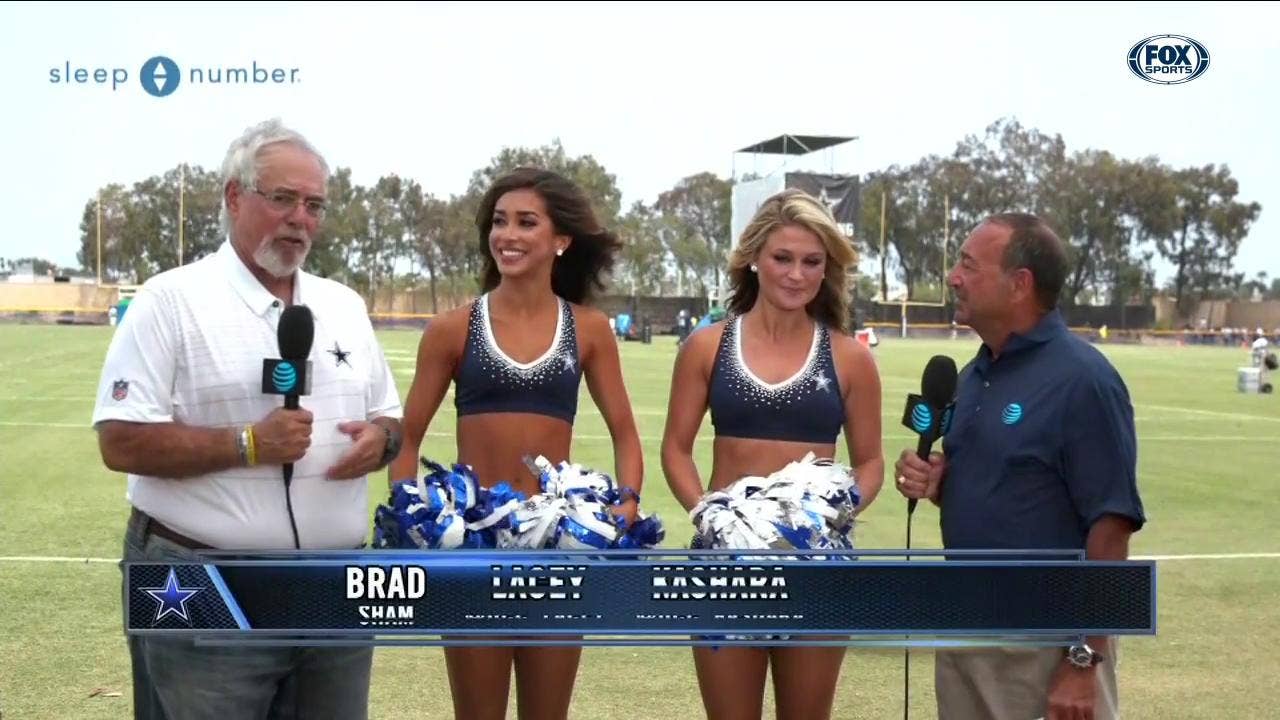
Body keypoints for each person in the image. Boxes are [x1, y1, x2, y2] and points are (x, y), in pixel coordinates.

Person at [92, 118, 404, 720]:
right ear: (235, 197)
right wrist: (246, 445)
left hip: (333, 591)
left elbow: (388, 416)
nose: (300, 218)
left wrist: (381, 441)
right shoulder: (170, 301)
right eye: (283, 198)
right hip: (201, 584)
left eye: (313, 204)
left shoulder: (343, 305)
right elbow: (121, 441)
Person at [389, 166, 643, 720]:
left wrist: (626, 501)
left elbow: (625, 431)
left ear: (560, 240)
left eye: (527, 222)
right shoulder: (452, 329)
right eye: (500, 222)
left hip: (556, 544)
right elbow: (407, 436)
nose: (508, 234)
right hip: (473, 545)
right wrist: (410, 509)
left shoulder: (590, 329)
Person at [894, 213, 1146, 720]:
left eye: (968, 264)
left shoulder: (1083, 380)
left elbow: (1111, 527)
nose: (953, 277)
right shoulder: (973, 374)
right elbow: (1008, 485)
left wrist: (1084, 657)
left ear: (1019, 284)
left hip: (1044, 643)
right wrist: (941, 482)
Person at [661, 189, 884, 720]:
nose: (796, 274)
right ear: (754, 258)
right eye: (783, 258)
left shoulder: (850, 357)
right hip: (724, 562)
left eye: (812, 262)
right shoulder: (707, 345)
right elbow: (675, 448)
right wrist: (707, 514)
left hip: (817, 564)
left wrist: (836, 511)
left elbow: (870, 462)